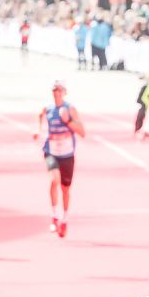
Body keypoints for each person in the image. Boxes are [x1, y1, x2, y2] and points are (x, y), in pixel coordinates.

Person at [34, 81, 85, 238]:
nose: (56, 92)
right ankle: (54, 215)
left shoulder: (70, 110)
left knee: (65, 188)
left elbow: (82, 132)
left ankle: (64, 218)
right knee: (54, 180)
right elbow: (41, 129)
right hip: (51, 152)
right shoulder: (46, 110)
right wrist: (38, 135)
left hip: (67, 154)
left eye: (59, 90)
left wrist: (67, 121)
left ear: (64, 92)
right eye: (54, 90)